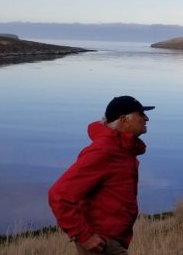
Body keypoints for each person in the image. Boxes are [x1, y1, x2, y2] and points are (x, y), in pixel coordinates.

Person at [48, 95, 154, 254]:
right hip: (102, 243)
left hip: (112, 241)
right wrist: (84, 236)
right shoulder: (104, 150)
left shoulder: (123, 149)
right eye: (140, 114)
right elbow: (58, 194)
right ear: (124, 120)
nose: (146, 118)